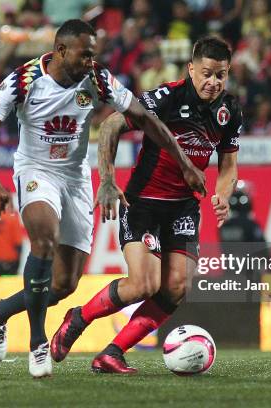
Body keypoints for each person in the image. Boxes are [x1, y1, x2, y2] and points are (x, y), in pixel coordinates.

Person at [0, 19, 205, 378]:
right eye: (85, 54)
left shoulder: (98, 79)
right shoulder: (25, 79)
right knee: (43, 242)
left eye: (95, 54)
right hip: (35, 172)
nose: (92, 60)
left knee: (62, 285)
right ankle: (37, 344)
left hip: (75, 178)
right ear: (61, 51)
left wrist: (184, 163)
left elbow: (144, 117)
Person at [50, 37, 242, 373]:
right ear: (191, 69)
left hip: (184, 208)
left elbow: (228, 164)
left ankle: (112, 353)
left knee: (177, 287)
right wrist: (107, 180)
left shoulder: (229, 111)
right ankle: (78, 319)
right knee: (144, 284)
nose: (214, 82)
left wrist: (223, 195)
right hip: (144, 204)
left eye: (221, 75)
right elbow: (111, 124)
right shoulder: (166, 97)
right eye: (208, 73)